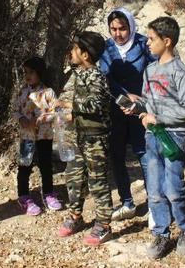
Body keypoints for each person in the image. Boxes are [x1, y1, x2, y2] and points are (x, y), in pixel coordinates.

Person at [127, 16, 185, 259]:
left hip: (174, 136)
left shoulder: (180, 72)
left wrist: (160, 118)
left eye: (152, 38)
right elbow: (148, 102)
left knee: (174, 187)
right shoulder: (150, 70)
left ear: (167, 41)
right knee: (155, 188)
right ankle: (161, 233)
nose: (147, 43)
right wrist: (137, 106)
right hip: (152, 136)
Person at [56, 31, 113, 246]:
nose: (71, 52)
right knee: (74, 178)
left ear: (85, 54)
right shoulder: (78, 74)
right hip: (78, 136)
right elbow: (70, 98)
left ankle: (103, 225)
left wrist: (71, 107)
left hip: (95, 140)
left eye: (74, 49)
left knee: (98, 181)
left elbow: (96, 103)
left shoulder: (97, 76)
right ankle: (75, 217)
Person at [100, 8, 155, 221]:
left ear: (130, 27)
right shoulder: (106, 49)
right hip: (116, 110)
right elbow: (106, 77)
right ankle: (127, 202)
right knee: (117, 156)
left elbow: (154, 73)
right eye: (113, 29)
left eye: (122, 28)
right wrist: (124, 96)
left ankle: (154, 204)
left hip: (141, 110)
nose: (118, 33)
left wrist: (140, 99)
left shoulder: (143, 45)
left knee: (145, 155)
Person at [15, 56, 63, 216]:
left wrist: (41, 119)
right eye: (25, 72)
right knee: (24, 166)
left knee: (46, 165)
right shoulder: (22, 92)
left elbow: (55, 112)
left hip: (44, 136)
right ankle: (23, 196)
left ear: (40, 73)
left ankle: (48, 193)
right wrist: (21, 119)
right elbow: (15, 111)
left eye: (31, 72)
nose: (27, 76)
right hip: (27, 137)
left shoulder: (48, 92)